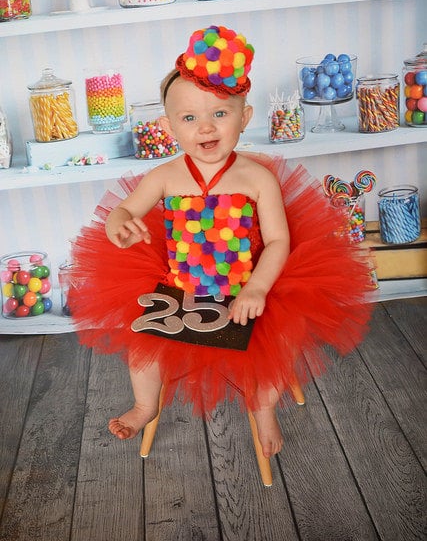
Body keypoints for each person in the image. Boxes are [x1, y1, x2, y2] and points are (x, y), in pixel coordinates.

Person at [70, 25, 374, 459]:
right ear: (168, 124)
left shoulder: (256, 178)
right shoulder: (165, 176)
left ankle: (265, 408)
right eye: (189, 118)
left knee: (275, 342)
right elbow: (125, 211)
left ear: (244, 117)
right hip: (180, 288)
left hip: (243, 289)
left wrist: (257, 288)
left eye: (220, 114)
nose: (205, 128)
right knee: (142, 343)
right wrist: (118, 223)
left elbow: (277, 241)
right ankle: (144, 404)